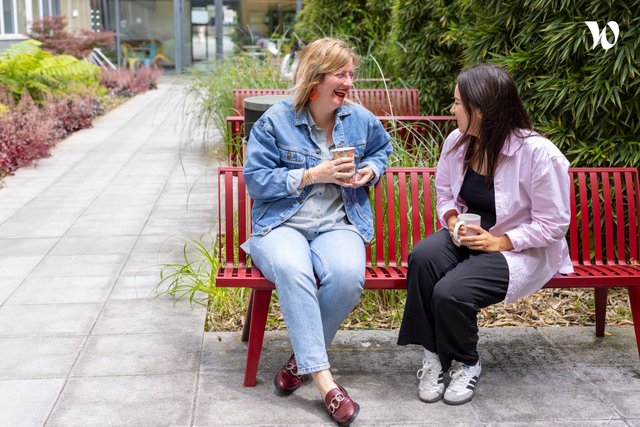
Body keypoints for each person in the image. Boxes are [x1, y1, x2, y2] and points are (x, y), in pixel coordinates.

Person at [397, 63, 573, 405]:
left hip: (519, 248)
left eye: (458, 103)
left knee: (451, 292)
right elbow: (445, 194)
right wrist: (453, 222)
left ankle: (467, 362)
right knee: (422, 258)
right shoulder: (457, 143)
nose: (452, 109)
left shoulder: (538, 154)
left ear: (481, 109)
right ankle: (434, 356)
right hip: (469, 235)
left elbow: (554, 224)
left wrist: (499, 241)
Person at [243, 37, 392, 426]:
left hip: (338, 222)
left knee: (347, 278)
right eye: (341, 74)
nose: (350, 82)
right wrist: (311, 174)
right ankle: (326, 383)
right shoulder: (276, 120)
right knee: (294, 271)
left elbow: (382, 150)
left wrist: (369, 172)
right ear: (315, 79)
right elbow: (256, 181)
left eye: (352, 74)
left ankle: (300, 364)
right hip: (281, 224)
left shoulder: (359, 119)